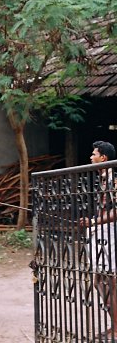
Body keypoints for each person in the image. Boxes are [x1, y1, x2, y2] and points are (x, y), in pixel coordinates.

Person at [79, 140, 116, 340]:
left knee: (108, 279)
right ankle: (115, 325)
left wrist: (94, 221)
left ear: (103, 158)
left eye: (93, 154)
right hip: (101, 230)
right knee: (100, 280)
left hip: (108, 231)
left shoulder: (113, 178)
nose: (90, 158)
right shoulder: (103, 179)